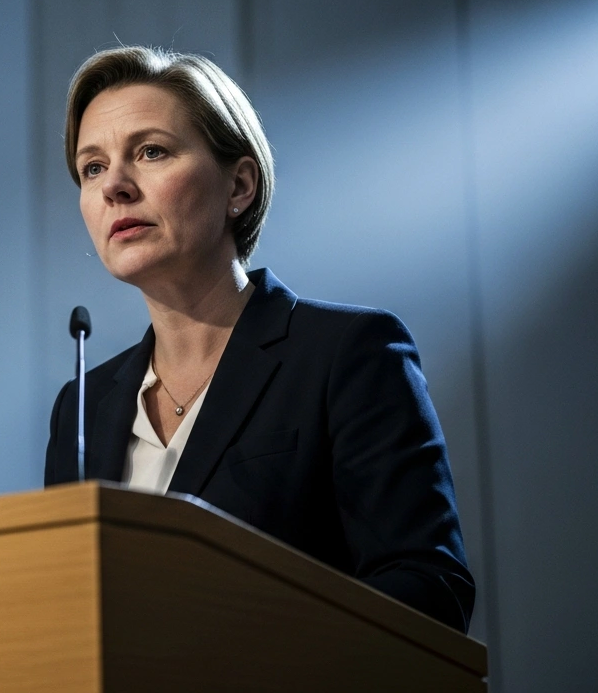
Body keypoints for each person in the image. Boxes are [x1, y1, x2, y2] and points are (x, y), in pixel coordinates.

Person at [43, 46, 475, 633]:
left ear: (239, 185)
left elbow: (429, 590)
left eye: (151, 152)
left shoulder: (347, 354)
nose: (115, 185)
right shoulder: (83, 406)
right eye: (92, 167)